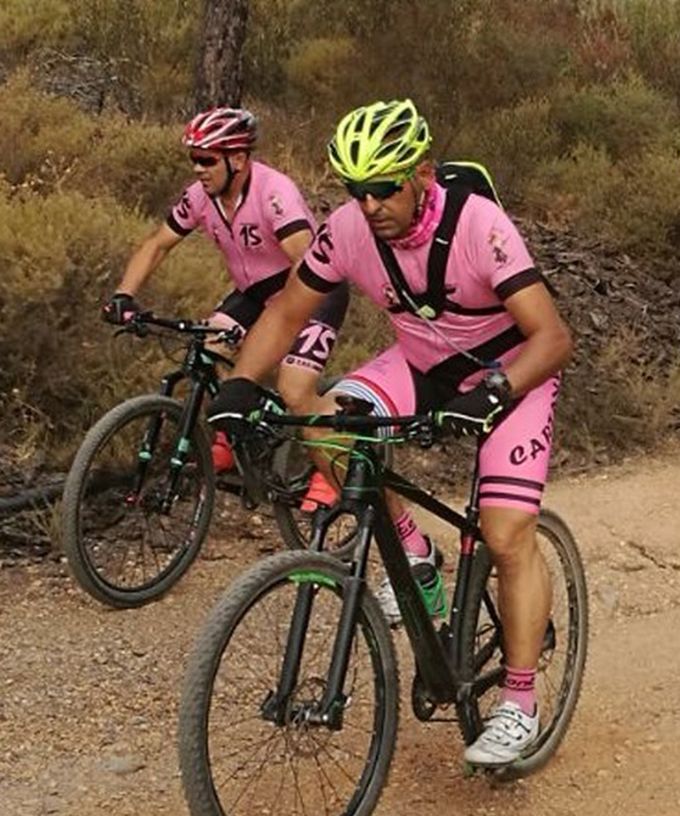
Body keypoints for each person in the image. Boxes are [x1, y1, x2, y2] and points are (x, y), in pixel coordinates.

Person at [207, 99, 574, 768]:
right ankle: (415, 558)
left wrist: (492, 390)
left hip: (508, 371)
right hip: (421, 362)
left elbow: (552, 336)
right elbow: (288, 310)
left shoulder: (478, 225)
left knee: (504, 535)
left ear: (422, 174)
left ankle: (519, 703)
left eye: (383, 187)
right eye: (356, 189)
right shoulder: (347, 229)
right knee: (324, 414)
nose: (369, 204)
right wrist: (239, 387)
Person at [102, 107, 348, 496]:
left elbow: (307, 263)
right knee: (211, 344)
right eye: (193, 159)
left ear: (238, 158)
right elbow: (157, 245)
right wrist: (123, 294)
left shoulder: (274, 193)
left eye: (206, 159)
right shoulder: (200, 196)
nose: (198, 169)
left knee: (294, 388)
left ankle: (332, 467)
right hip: (255, 291)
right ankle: (233, 438)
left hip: (312, 291)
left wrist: (278, 335)